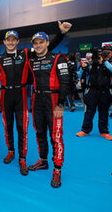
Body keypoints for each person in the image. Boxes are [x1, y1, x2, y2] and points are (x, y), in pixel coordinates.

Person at [0, 21, 72, 176]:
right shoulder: (2, 59)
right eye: (35, 43)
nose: (38, 45)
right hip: (27, 98)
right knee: (36, 131)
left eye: (13, 39)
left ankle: (54, 168)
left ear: (17, 41)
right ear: (4, 42)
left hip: (46, 99)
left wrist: (61, 33)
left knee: (53, 135)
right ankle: (39, 159)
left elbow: (64, 79)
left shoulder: (27, 54)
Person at [28, 31, 70, 188]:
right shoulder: (31, 60)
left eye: (41, 42)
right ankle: (43, 161)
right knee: (39, 132)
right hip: (37, 99)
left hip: (54, 101)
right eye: (35, 43)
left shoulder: (58, 58)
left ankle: (57, 169)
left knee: (56, 136)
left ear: (47, 43)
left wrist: (60, 103)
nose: (38, 45)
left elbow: (65, 82)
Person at [76, 46, 112, 140]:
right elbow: (80, 75)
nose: (106, 54)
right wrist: (82, 67)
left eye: (109, 52)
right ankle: (85, 130)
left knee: (104, 112)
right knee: (89, 111)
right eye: (104, 52)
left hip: (106, 92)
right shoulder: (91, 64)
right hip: (92, 91)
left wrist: (104, 62)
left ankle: (104, 131)